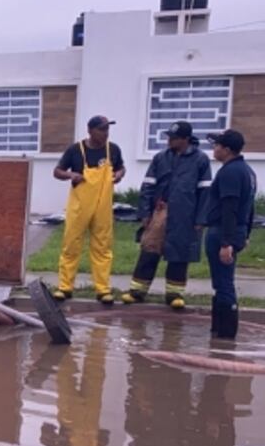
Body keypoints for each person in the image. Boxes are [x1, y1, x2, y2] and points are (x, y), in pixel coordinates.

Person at [121, 121, 212, 310]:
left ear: (186, 139)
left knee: (179, 253)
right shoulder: (160, 158)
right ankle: (137, 291)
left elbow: (205, 192)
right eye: (169, 137)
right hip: (160, 211)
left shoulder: (201, 160)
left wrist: (200, 219)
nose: (169, 141)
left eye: (174, 138)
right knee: (149, 249)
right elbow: (148, 185)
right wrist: (145, 212)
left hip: (185, 214)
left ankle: (174, 294)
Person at [52, 115, 126, 305]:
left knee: (102, 246)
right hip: (79, 207)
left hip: (103, 207)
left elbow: (121, 168)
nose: (105, 133)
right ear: (90, 131)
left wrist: (119, 174)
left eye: (107, 129)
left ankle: (103, 289)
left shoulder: (113, 149)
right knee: (71, 245)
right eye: (101, 129)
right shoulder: (75, 150)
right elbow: (57, 171)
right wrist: (71, 175)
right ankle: (65, 287)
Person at [202, 129, 257, 339]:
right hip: (236, 231)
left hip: (222, 233)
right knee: (222, 281)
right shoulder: (247, 171)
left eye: (216, 146)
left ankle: (225, 334)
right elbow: (249, 207)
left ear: (227, 149)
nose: (214, 149)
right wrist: (246, 233)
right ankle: (218, 329)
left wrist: (226, 243)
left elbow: (230, 208)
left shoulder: (230, 172)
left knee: (223, 283)